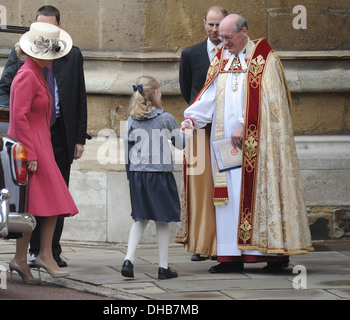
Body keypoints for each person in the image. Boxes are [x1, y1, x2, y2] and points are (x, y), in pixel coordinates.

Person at [181, 14, 313, 273]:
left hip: (258, 146)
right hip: (223, 146)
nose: (224, 42)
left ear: (244, 33)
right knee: (226, 199)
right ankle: (230, 256)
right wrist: (191, 119)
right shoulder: (221, 57)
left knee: (258, 196)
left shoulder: (265, 60)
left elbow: (271, 103)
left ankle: (273, 255)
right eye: (221, 37)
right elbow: (210, 96)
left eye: (229, 37)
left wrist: (245, 122)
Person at [0, 5, 90, 268]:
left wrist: (79, 136)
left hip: (57, 135)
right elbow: (14, 107)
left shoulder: (70, 58)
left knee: (50, 198)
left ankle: (45, 253)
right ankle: (34, 255)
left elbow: (79, 98)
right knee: (37, 200)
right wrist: (28, 150)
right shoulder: (26, 69)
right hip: (35, 143)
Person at [8, 22, 79, 284]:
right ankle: (43, 256)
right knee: (49, 205)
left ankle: (22, 259)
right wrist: (32, 155)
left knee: (37, 207)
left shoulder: (34, 73)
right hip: (34, 149)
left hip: (41, 146)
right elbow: (19, 119)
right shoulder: (27, 75)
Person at [176, 6, 228, 262]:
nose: (215, 30)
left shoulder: (235, 54)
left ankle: (225, 241)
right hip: (199, 130)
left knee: (227, 186)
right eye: (211, 25)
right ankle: (201, 242)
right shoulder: (191, 54)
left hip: (228, 130)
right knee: (200, 186)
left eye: (219, 25)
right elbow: (188, 90)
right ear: (204, 24)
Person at [121, 76, 184, 280]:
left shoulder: (131, 120)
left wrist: (130, 175)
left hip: (138, 175)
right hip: (159, 175)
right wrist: (186, 132)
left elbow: (127, 150)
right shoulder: (165, 118)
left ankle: (128, 260)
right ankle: (163, 267)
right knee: (162, 220)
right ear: (156, 93)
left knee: (140, 218)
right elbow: (180, 144)